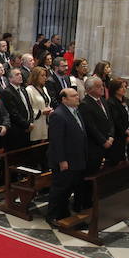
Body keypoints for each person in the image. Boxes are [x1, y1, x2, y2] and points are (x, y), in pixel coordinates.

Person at [46, 88, 88, 224]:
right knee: (60, 189)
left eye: (77, 95)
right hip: (65, 160)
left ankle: (63, 213)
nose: (77, 97)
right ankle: (52, 216)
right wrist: (62, 160)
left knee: (68, 188)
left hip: (76, 157)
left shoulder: (76, 111)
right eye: (73, 96)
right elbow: (56, 141)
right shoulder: (58, 115)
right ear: (64, 99)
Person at [78, 76, 114, 202]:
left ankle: (97, 199)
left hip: (107, 142)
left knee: (101, 175)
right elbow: (90, 127)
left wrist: (111, 136)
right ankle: (85, 202)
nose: (102, 88)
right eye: (99, 86)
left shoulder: (103, 101)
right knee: (89, 175)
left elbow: (110, 121)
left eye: (102, 85)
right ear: (89, 89)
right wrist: (103, 141)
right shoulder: (85, 104)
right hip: (93, 146)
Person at [0, 68, 32, 151]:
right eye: (17, 75)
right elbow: (13, 113)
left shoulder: (23, 89)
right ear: (10, 78)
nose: (20, 76)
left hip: (28, 127)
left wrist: (30, 122)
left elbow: (29, 107)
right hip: (17, 130)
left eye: (20, 74)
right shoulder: (7, 92)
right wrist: (26, 125)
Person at [106, 78, 129, 166]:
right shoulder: (111, 102)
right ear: (115, 89)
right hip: (119, 135)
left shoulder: (127, 100)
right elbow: (116, 120)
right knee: (118, 160)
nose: (124, 89)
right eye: (121, 87)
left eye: (125, 87)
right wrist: (127, 132)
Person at [26, 66, 53, 142]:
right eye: (42, 75)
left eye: (45, 75)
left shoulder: (44, 88)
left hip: (46, 122)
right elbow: (28, 108)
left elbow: (47, 102)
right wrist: (41, 112)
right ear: (35, 76)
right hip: (36, 123)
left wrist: (49, 110)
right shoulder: (29, 90)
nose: (45, 78)